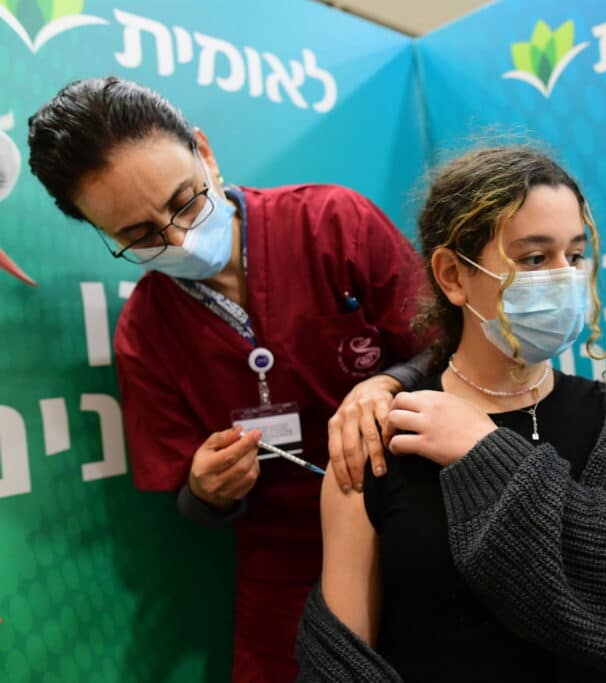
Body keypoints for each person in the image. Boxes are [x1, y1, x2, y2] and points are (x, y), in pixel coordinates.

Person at [26, 76, 427, 681]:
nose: (178, 237)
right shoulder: (147, 331)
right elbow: (189, 500)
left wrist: (389, 381)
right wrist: (210, 489)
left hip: (416, 513)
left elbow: (449, 351)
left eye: (185, 201)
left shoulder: (332, 223)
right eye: (137, 235)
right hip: (287, 560)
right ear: (100, 230)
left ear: (205, 152)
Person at [296, 146, 606, 681]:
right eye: (534, 259)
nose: (565, 277)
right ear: (452, 276)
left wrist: (487, 452)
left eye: (576, 256)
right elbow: (341, 665)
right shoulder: (378, 438)